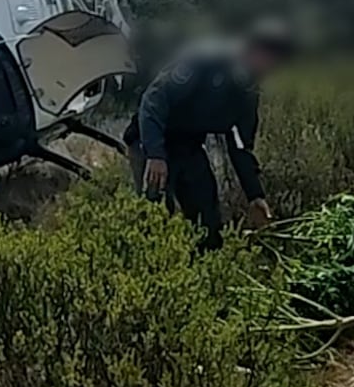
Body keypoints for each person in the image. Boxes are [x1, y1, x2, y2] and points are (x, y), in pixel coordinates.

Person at [123, 19, 294, 250]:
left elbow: (240, 145)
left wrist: (255, 195)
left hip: (189, 146)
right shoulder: (206, 60)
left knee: (207, 218)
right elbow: (154, 101)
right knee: (155, 215)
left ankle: (205, 269)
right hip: (151, 140)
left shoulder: (247, 92)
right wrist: (155, 153)